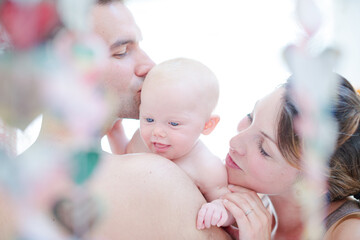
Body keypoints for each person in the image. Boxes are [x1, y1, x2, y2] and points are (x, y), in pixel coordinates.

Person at [0, 0, 232, 239]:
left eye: (139, 46)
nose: (149, 65)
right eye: (122, 52)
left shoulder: (7, 192)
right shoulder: (154, 178)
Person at [221, 75, 360, 239]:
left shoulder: (350, 232)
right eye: (251, 117)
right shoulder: (252, 200)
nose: (234, 142)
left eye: (263, 149)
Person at [124, 57, 235, 229]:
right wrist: (114, 133)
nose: (157, 132)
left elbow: (229, 206)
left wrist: (219, 209)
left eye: (173, 124)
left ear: (207, 125)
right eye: (149, 119)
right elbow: (123, 159)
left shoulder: (207, 167)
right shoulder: (141, 138)